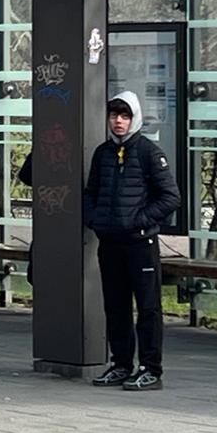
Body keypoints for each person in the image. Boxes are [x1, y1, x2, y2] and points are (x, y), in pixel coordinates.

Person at [84, 91, 181, 392]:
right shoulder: (103, 153)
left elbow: (170, 197)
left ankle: (151, 368)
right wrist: (96, 219)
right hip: (110, 242)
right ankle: (121, 363)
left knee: (148, 308)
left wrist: (138, 221)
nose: (118, 122)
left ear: (134, 118)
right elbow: (91, 193)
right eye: (114, 116)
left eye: (124, 116)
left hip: (140, 244)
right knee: (116, 306)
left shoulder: (149, 153)